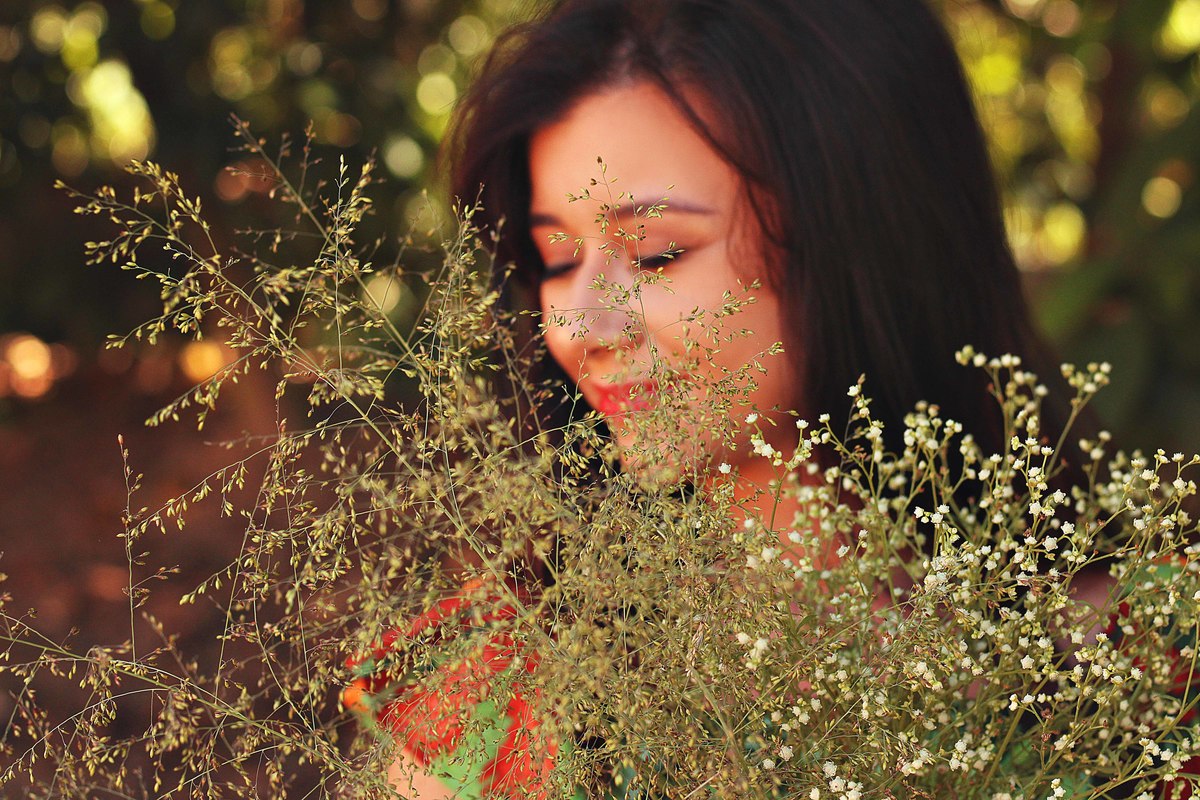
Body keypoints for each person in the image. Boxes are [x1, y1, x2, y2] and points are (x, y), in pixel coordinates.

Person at [356, 0, 1109, 795]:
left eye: (656, 252)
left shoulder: (1129, 653)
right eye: (555, 259)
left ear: (864, 233)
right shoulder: (504, 685)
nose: (581, 326)